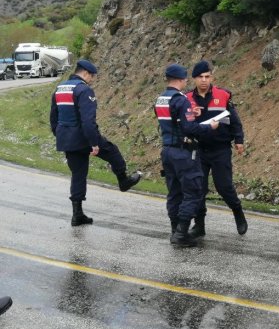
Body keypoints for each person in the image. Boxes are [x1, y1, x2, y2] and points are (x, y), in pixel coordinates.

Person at [50, 60, 141, 227]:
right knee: (113, 152)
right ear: (85, 73)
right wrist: (94, 143)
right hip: (83, 137)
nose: (92, 79)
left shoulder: (60, 88)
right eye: (92, 76)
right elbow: (88, 121)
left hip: (66, 138)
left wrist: (60, 135)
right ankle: (123, 181)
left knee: (78, 174)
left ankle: (77, 215)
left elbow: (53, 118)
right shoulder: (84, 90)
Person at [156, 64, 219, 247]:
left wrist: (193, 113)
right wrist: (210, 126)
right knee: (194, 191)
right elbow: (189, 128)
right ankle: (182, 232)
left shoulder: (161, 99)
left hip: (167, 150)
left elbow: (173, 121)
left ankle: (175, 230)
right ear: (180, 79)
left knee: (174, 192)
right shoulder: (181, 100)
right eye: (185, 79)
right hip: (183, 152)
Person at [186, 60, 248, 237]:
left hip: (220, 149)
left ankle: (238, 212)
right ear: (194, 79)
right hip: (198, 150)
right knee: (199, 188)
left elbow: (234, 120)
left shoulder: (223, 95)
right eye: (200, 77)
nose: (204, 80)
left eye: (207, 76)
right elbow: (183, 122)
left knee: (224, 187)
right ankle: (199, 226)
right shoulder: (187, 99)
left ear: (211, 77)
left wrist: (239, 140)